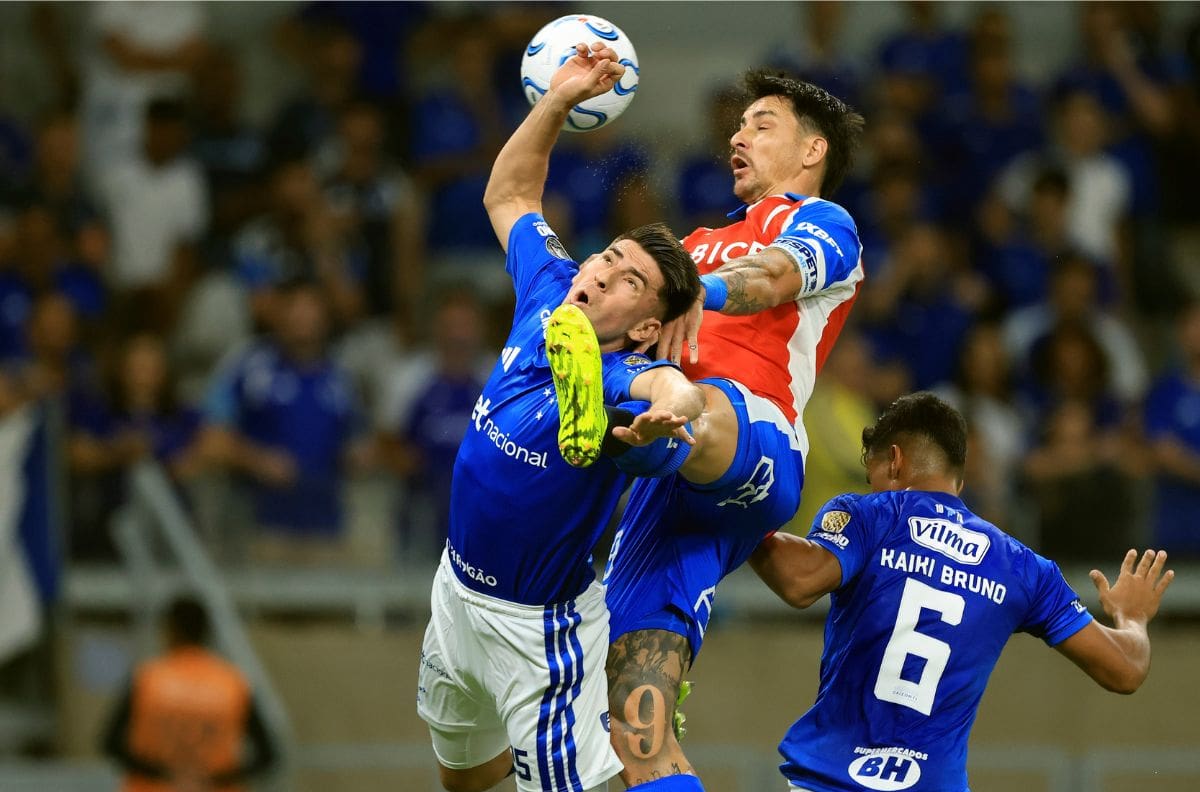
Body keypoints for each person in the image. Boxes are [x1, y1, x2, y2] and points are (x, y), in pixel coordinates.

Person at [416, 44, 705, 792]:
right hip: (455, 595)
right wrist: (558, 100)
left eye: (629, 280)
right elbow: (509, 196)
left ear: (645, 326)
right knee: (464, 780)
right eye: (606, 258)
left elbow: (677, 392)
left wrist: (669, 411)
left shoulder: (625, 378)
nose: (602, 272)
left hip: (534, 633)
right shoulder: (549, 291)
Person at [589, 70, 865, 791]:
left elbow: (773, 279)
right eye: (737, 126)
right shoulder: (693, 240)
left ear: (811, 151)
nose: (738, 137)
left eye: (762, 124)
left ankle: (671, 420)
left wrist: (692, 291)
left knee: (697, 404)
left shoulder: (823, 221)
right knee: (632, 728)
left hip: (753, 439)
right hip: (675, 495)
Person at [748, 392, 1173, 792]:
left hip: (831, 779)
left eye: (871, 473)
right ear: (960, 483)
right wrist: (1132, 618)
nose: (872, 486)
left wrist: (739, 505)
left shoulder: (871, 515)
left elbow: (799, 581)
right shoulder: (1023, 567)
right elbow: (1126, 669)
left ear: (893, 461)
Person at [101, 595, 277, 792]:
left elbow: (110, 743)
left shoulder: (147, 679)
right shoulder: (233, 683)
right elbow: (267, 754)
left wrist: (161, 773)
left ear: (171, 629)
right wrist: (218, 778)